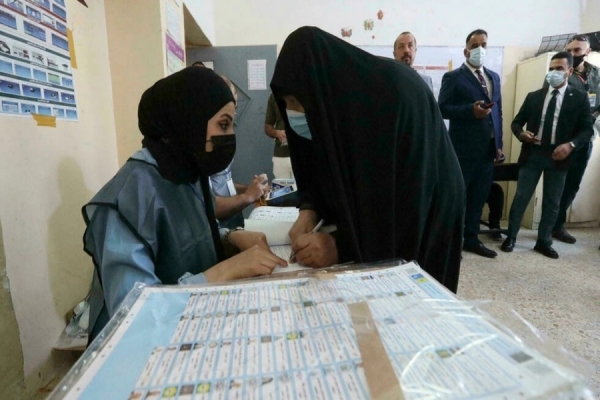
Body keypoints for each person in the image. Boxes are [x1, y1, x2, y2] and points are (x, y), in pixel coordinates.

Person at [82, 67, 287, 337]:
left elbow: (186, 236)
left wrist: (230, 239)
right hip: (142, 353)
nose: (229, 136)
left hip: (191, 327)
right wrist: (226, 271)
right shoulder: (128, 198)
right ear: (189, 121)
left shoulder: (186, 174)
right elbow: (132, 314)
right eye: (223, 124)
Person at [270, 27, 465, 293]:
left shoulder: (387, 97)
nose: (293, 112)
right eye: (286, 102)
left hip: (430, 206)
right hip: (406, 197)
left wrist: (340, 245)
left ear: (320, 89)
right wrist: (309, 208)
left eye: (297, 101)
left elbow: (400, 210)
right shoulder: (338, 108)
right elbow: (322, 167)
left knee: (416, 300)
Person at [501, 52, 594, 259]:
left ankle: (543, 241)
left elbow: (587, 130)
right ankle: (511, 237)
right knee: (521, 197)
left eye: (559, 69)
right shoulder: (534, 96)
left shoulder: (579, 98)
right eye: (551, 69)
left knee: (552, 201)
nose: (554, 73)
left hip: (559, 156)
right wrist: (522, 134)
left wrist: (570, 145)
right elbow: (516, 123)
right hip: (533, 154)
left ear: (569, 71)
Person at [438, 28, 504, 259]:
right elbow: (442, 108)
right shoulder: (454, 77)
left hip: (487, 151)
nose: (479, 49)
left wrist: (499, 144)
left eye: (483, 45)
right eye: (475, 46)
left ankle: (472, 239)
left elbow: (498, 113)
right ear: (466, 51)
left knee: (478, 197)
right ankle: (449, 242)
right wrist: (469, 111)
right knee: (458, 198)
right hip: (462, 151)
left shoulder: (494, 77)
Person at [551, 34, 600, 244]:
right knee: (557, 184)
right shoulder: (562, 74)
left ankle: (558, 226)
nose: (572, 55)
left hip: (586, 138)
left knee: (572, 185)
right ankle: (548, 225)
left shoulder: (596, 75)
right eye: (569, 50)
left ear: (587, 52)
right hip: (564, 139)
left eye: (577, 51)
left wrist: (592, 124)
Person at [211, 75, 269, 229]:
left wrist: (250, 189)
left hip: (232, 217)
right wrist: (248, 196)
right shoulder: (202, 149)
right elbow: (208, 206)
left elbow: (223, 181)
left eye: (235, 108)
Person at [264, 93, 293, 179]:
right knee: (282, 191)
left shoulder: (307, 90)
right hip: (281, 156)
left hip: (304, 155)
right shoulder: (273, 96)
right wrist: (276, 133)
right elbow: (267, 127)